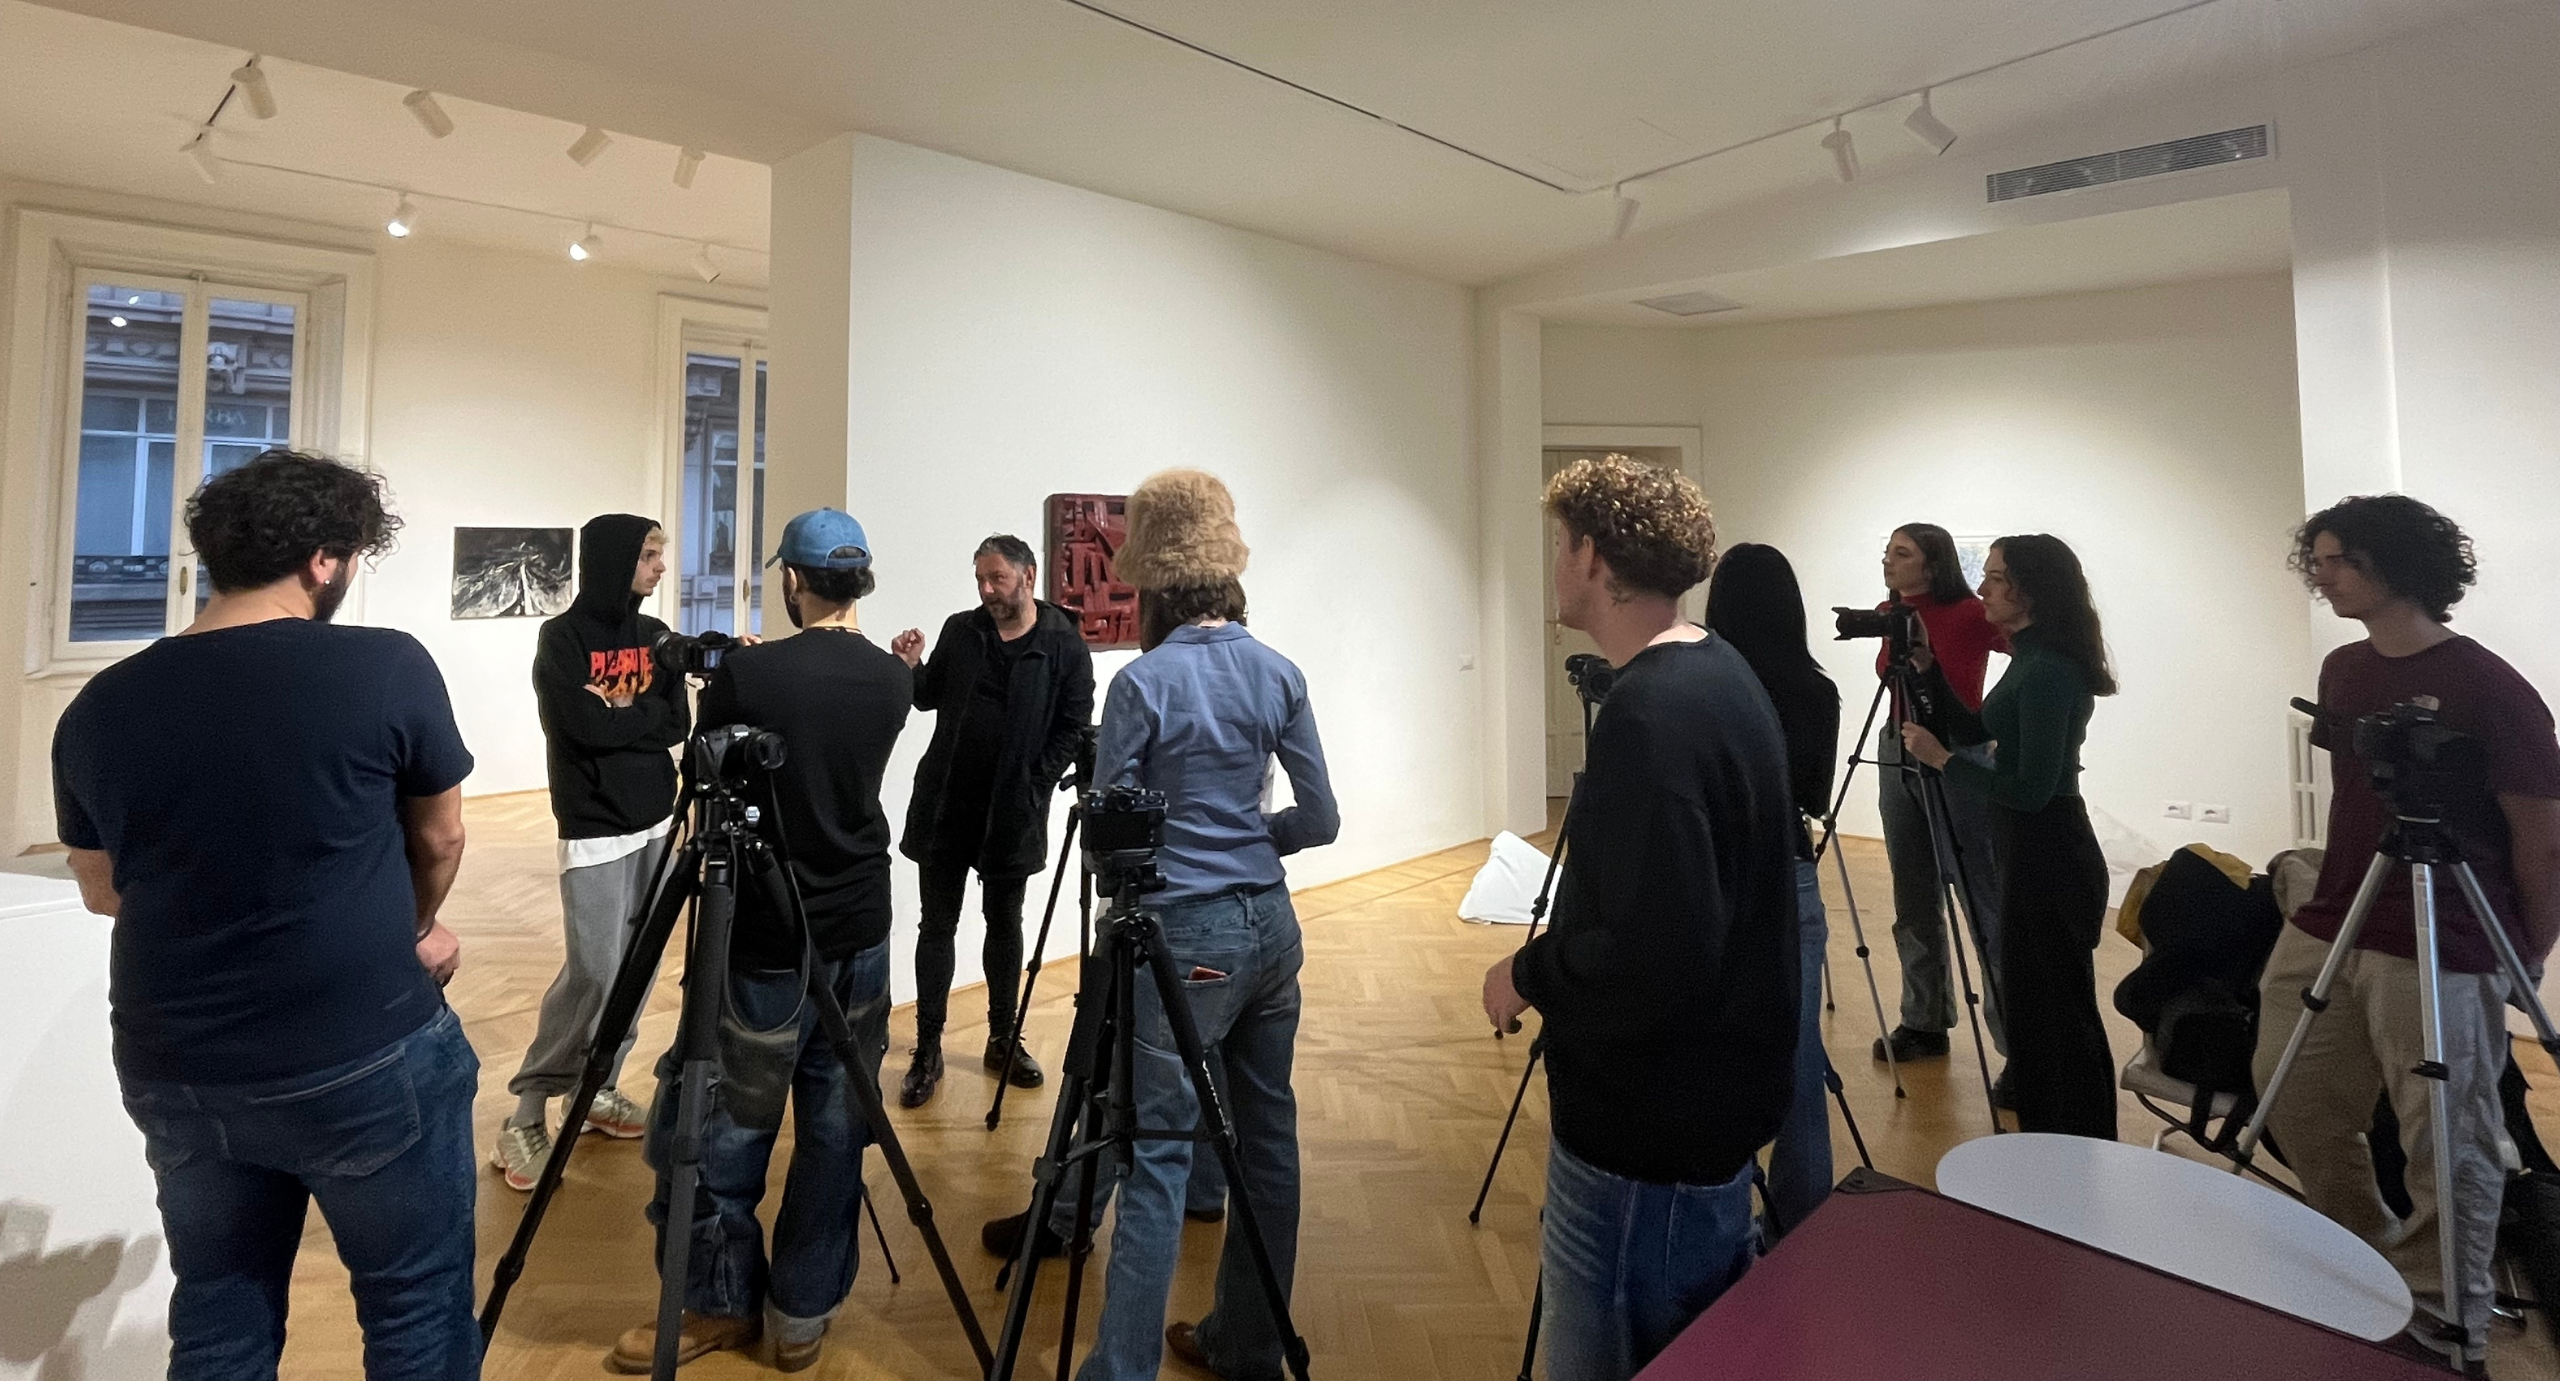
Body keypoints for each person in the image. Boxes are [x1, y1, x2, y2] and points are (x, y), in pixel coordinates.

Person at [51, 449, 480, 1378]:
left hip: (177, 1063)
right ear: (323, 560)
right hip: (360, 1045)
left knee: (219, 1311)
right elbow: (441, 837)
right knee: (415, 1302)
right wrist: (407, 929)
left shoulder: (99, 705)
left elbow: (101, 886)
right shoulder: (383, 664)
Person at [1483, 456, 1798, 1381]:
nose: (1553, 564)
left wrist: (1526, 972)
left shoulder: (1649, 715)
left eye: (1559, 543)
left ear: (1591, 555)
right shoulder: (1721, 671)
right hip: (1704, 1121)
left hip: (1645, 1147)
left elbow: (1658, 955)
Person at [2251, 495, 2560, 1365]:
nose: (2322, 574)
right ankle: (2365, 1260)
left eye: (2339, 559)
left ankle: (2441, 1314)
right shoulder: (2344, 670)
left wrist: (2525, 953)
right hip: (2338, 914)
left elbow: (2542, 839)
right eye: (2316, 558)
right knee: (2294, 1091)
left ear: (2397, 564)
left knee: (2447, 1135)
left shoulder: (2489, 687)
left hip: (2442, 929)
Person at [1044, 468, 1337, 1381]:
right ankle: (1246, 1345)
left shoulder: (1143, 681)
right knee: (1268, 1146)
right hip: (1271, 928)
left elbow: (1111, 829)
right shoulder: (1279, 671)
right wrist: (1257, 837)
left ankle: (1120, 1370)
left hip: (1183, 934)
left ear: (1155, 584)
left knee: (1160, 1154)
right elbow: (1322, 818)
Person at [609, 508, 913, 1373]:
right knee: (836, 1125)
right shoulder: (893, 679)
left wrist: (733, 677)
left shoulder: (751, 673)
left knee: (727, 1123)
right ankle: (801, 1313)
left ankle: (716, 1303)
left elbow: (706, 769)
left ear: (793, 579)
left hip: (764, 931)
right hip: (861, 923)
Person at [494, 513, 692, 1191]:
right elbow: (575, 726)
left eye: (660, 554)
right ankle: (526, 1111)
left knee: (637, 970)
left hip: (657, 822)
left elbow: (677, 722)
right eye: (648, 554)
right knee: (594, 973)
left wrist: (617, 716)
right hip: (594, 825)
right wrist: (634, 719)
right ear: (613, 559)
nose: (659, 567)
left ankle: (596, 1086)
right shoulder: (562, 638)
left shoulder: (655, 635)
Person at [1900, 535, 2116, 1140]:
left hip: (2051, 850)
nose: (1983, 589)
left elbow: (2032, 790)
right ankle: (2052, 1146)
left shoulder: (2047, 671)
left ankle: (2078, 1148)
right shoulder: (2030, 659)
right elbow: (1978, 728)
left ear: (2030, 590)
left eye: (1995, 578)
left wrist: (1944, 761)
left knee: (2059, 1018)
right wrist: (1929, 670)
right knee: (2039, 1013)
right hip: (2029, 847)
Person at [890, 534, 1095, 1106]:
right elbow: (929, 696)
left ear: (1027, 576)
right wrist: (911, 667)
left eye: (996, 578)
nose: (985, 589)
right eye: (979, 578)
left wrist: (1036, 782)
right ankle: (927, 1047)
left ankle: (1003, 1038)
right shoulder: (963, 630)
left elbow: (1075, 724)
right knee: (937, 926)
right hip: (947, 803)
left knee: (1005, 925)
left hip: (1012, 811)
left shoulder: (1062, 642)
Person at [1703, 542, 1841, 1237]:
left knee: (1717, 1052)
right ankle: (1801, 1225)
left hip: (1720, 876)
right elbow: (1814, 795)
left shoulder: (1710, 686)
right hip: (1791, 874)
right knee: (1800, 1057)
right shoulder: (1818, 691)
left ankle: (1719, 1224)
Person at [1870, 523, 2011, 1083]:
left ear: (1932, 564)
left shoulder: (1971, 613)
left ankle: (2018, 1047)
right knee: (1912, 894)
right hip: (1896, 744)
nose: (1888, 561)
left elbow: (2024, 649)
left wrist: (1997, 728)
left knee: (1981, 898)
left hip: (1955, 751)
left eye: (1901, 553)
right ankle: (1923, 1020)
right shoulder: (1891, 613)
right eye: (1887, 552)